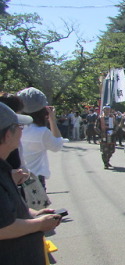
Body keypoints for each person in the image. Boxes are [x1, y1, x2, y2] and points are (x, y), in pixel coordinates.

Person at [0, 102, 62, 265]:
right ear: (7, 135)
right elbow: (3, 228)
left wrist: (32, 214)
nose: (23, 131)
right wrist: (39, 224)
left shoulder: (5, 169)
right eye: (19, 127)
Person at [17, 87, 66, 190]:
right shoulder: (42, 132)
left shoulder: (14, 128)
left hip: (15, 177)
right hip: (34, 180)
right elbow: (57, 145)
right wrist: (52, 120)